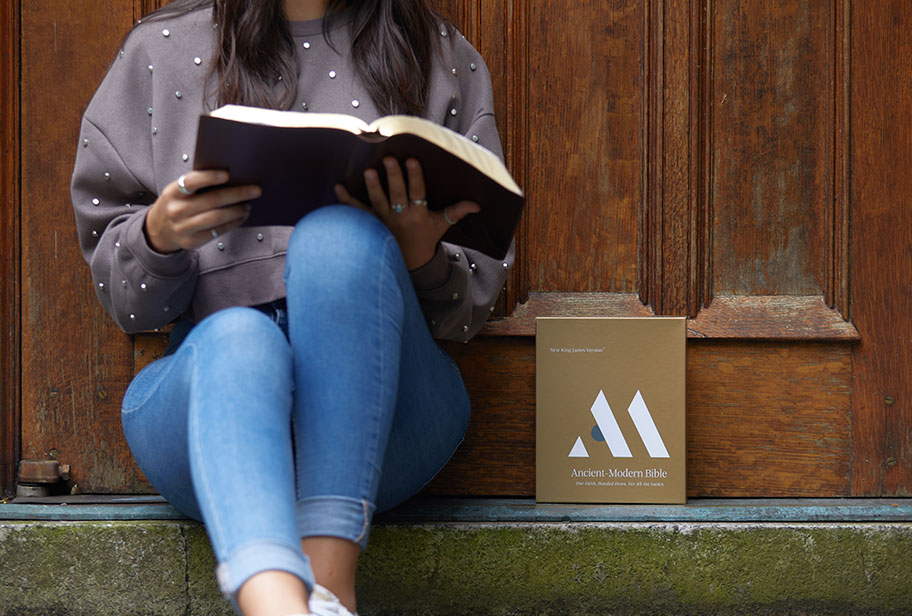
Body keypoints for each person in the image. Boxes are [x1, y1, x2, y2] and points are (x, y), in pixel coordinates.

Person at [70, 0, 513, 614]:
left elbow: (474, 303)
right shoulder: (161, 49)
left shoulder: (438, 54)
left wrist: (417, 255)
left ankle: (331, 586)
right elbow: (127, 305)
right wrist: (159, 237)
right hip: (220, 414)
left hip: (389, 420)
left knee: (339, 239)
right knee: (240, 340)